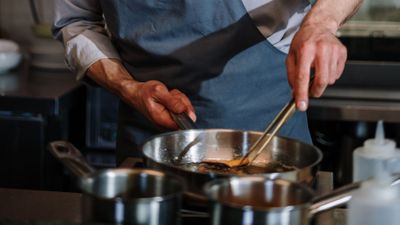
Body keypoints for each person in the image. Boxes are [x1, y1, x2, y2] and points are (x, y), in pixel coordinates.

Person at [53, 0, 362, 165]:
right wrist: (127, 88)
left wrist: (321, 24)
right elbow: (77, 22)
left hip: (272, 154)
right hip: (151, 149)